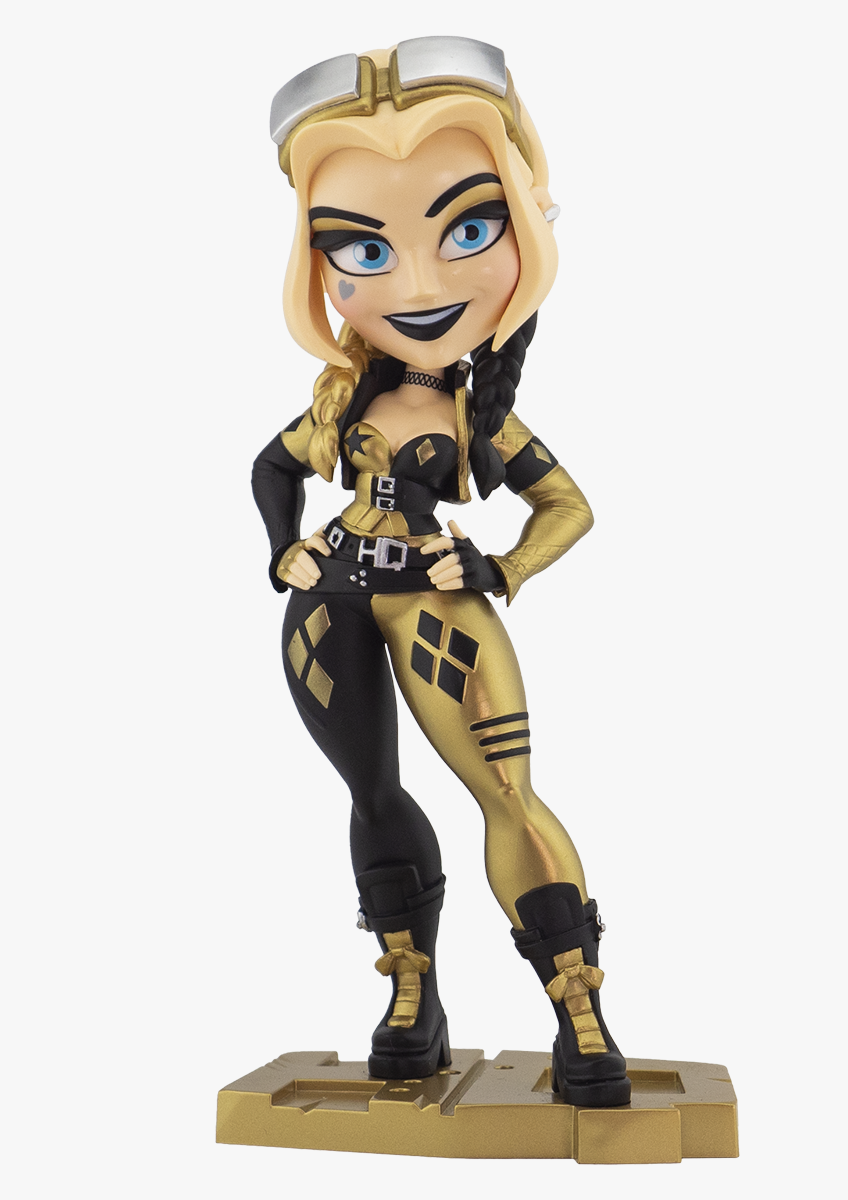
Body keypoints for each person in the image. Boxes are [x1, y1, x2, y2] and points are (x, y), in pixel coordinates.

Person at [252, 37, 630, 1108]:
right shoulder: (343, 402)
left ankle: (578, 1000)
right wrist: (283, 547)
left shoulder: (479, 418)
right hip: (328, 606)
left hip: (438, 609)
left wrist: (500, 568)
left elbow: (569, 506)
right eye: (363, 248)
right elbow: (272, 466)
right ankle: (410, 987)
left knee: (506, 792)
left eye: (468, 230)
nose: (416, 284)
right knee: (370, 790)